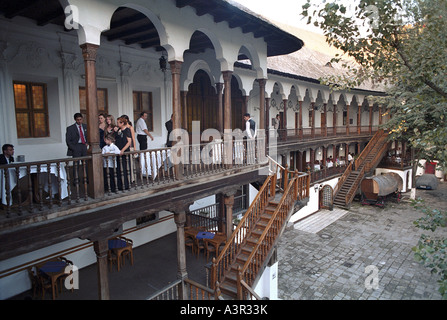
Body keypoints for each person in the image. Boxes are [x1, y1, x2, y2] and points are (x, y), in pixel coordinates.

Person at [114, 116, 132, 190]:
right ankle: (119, 185)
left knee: (124, 168)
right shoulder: (118, 130)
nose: (117, 124)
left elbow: (129, 141)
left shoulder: (127, 130)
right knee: (118, 168)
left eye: (118, 122)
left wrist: (123, 150)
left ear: (122, 123)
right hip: (118, 151)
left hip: (124, 151)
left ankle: (126, 184)